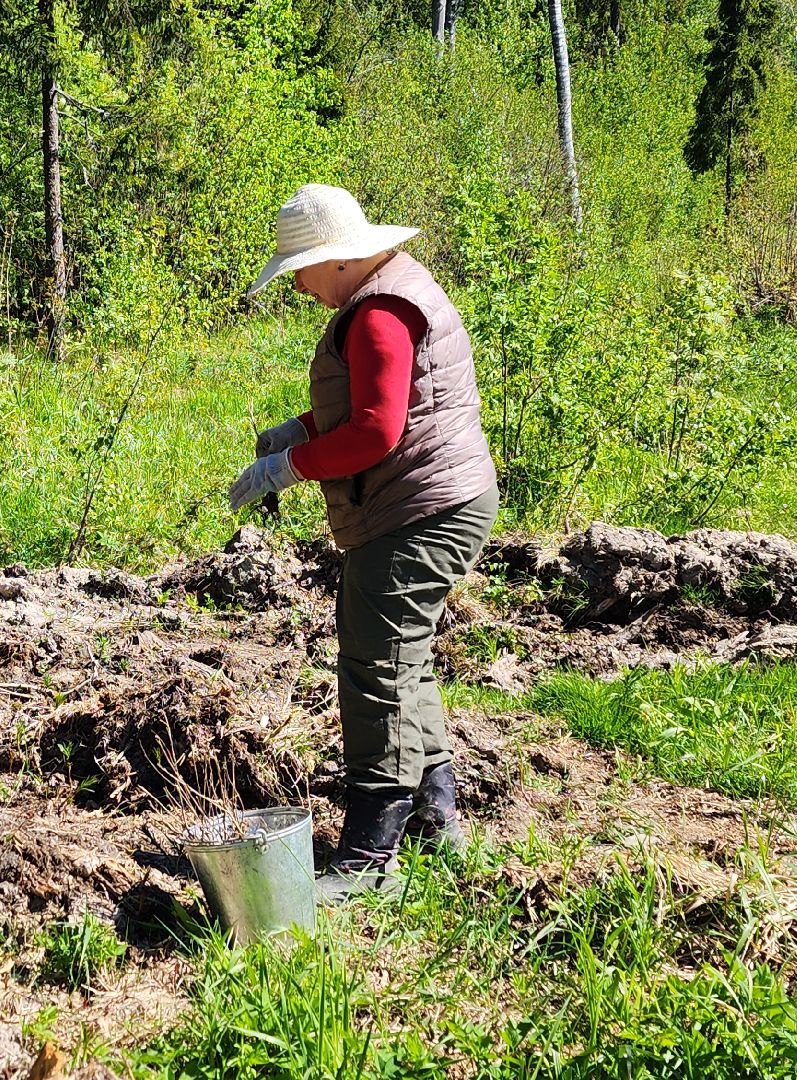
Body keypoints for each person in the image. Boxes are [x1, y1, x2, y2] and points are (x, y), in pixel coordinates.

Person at [233, 184, 499, 901]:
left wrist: (287, 466)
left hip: (422, 508)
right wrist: (301, 430)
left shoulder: (378, 312)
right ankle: (435, 819)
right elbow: (383, 406)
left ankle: (368, 858)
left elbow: (377, 433)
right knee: (402, 658)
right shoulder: (390, 290)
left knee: (375, 664)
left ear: (337, 260)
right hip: (438, 498)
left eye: (300, 269)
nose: (297, 283)